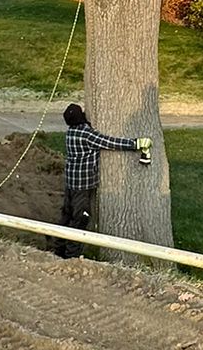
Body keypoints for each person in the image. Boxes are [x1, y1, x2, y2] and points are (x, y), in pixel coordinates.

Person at [57, 103, 147, 258]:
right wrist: (135, 144)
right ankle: (71, 256)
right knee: (80, 219)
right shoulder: (86, 135)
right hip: (82, 185)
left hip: (71, 183)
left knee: (67, 216)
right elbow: (109, 142)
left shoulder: (70, 132)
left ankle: (58, 248)